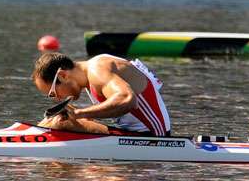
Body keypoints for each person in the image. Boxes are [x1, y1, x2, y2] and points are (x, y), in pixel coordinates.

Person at [32, 53, 171, 136]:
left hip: (153, 138)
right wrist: (78, 114)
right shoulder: (90, 73)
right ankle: (29, 134)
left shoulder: (97, 69)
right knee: (61, 118)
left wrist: (80, 113)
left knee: (60, 123)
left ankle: (27, 139)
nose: (57, 99)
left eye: (52, 93)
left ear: (62, 76)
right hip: (133, 135)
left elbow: (128, 100)